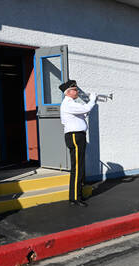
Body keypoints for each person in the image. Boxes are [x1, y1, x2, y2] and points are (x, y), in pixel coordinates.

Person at [59, 79, 96, 207]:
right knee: (77, 167)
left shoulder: (72, 103)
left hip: (78, 135)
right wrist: (93, 99)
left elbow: (84, 112)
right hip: (75, 136)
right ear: (68, 92)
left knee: (79, 166)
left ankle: (76, 195)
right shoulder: (68, 103)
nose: (77, 91)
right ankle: (75, 197)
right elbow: (87, 107)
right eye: (75, 89)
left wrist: (87, 108)